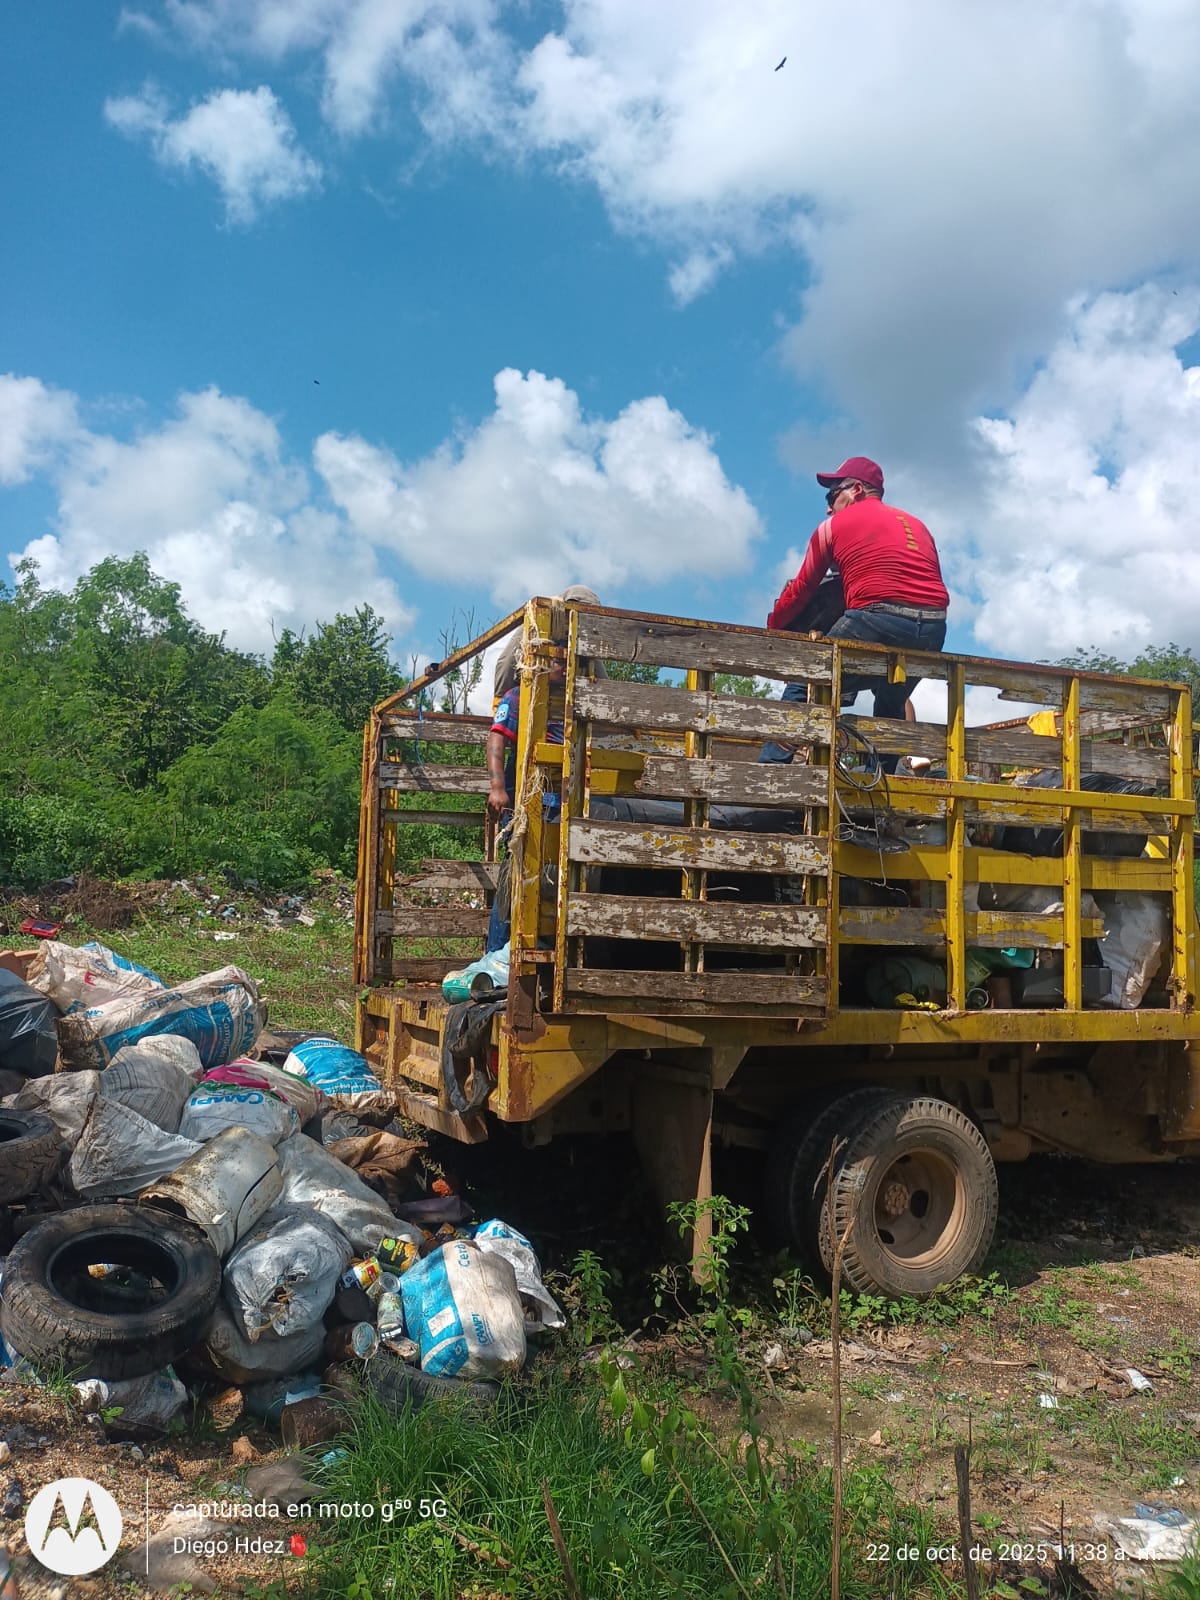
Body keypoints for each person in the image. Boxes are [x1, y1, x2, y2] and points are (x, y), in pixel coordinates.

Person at [760, 456, 948, 763]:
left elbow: (801, 590)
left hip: (877, 619)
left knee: (809, 679)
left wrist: (774, 628)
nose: (828, 507)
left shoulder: (832, 527)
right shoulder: (918, 525)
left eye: (832, 496)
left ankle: (768, 771)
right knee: (891, 702)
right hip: (933, 630)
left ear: (856, 490)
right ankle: (882, 783)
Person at [483, 660, 565, 951]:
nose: (564, 665)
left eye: (567, 659)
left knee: (555, 881)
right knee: (515, 874)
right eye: (557, 659)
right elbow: (497, 738)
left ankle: (544, 951)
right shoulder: (521, 694)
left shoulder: (577, 698)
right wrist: (497, 788)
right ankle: (497, 955)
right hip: (529, 800)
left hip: (564, 802)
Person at [493, 584, 605, 702]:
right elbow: (507, 660)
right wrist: (500, 699)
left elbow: (600, 674)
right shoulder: (538, 619)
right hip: (531, 689)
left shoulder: (585, 636)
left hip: (569, 694)